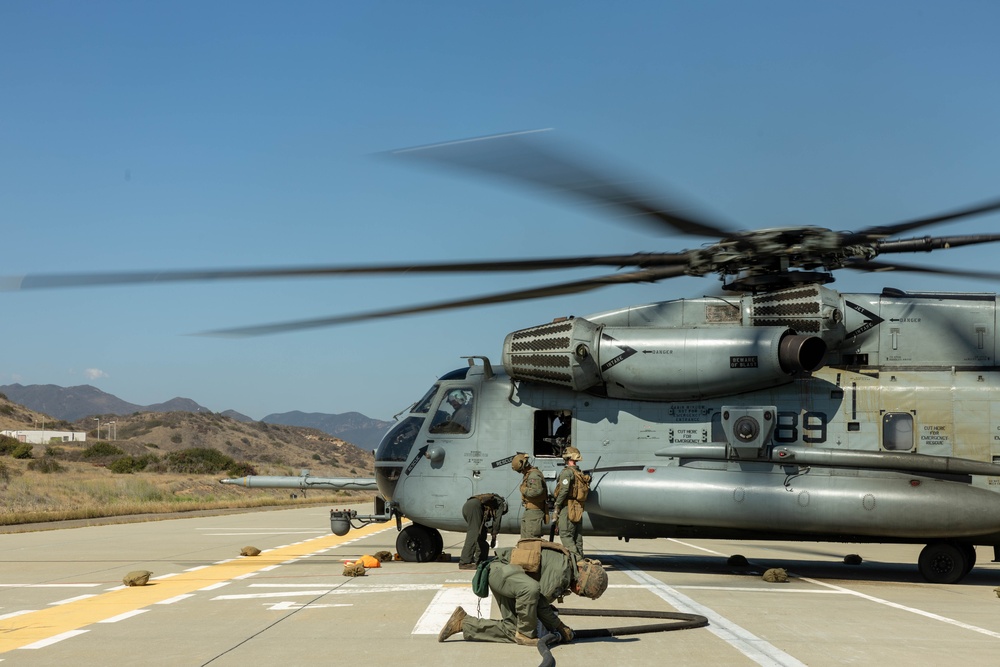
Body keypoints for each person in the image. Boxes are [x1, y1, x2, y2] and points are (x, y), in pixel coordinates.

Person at [438, 540, 608, 646]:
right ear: (580, 585)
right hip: (501, 573)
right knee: (531, 592)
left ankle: (463, 623)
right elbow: (540, 604)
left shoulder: (567, 564)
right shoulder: (562, 574)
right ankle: (525, 634)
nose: (578, 594)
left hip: (510, 578)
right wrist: (560, 627)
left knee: (512, 629)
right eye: (583, 593)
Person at [554, 446, 589, 558]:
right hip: (578, 507)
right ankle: (581, 562)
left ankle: (577, 560)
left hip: (568, 507)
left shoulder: (567, 473)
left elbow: (564, 490)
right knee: (577, 537)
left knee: (565, 534)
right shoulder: (580, 473)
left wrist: (557, 504)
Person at [458, 493, 507, 570]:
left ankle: (481, 560)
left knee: (482, 533)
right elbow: (497, 521)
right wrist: (494, 536)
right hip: (474, 507)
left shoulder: (493, 500)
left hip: (468, 506)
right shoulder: (500, 504)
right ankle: (464, 562)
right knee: (474, 533)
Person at [512, 453, 548, 539]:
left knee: (531, 540)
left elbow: (536, 491)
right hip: (530, 511)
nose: (521, 472)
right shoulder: (529, 474)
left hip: (534, 512)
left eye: (520, 470)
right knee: (525, 539)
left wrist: (523, 489)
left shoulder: (534, 475)